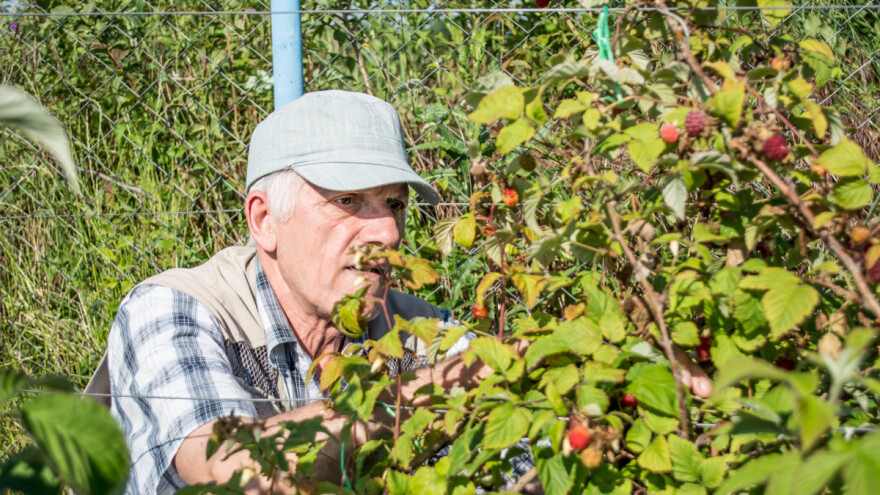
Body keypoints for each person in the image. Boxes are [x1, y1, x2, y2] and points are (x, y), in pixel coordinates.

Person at [91, 90, 711, 494]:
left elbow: (536, 442)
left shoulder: (415, 330)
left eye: (392, 203)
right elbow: (228, 474)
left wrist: (628, 377)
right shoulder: (174, 309)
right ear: (263, 220)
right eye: (345, 201)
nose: (386, 228)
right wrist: (445, 387)